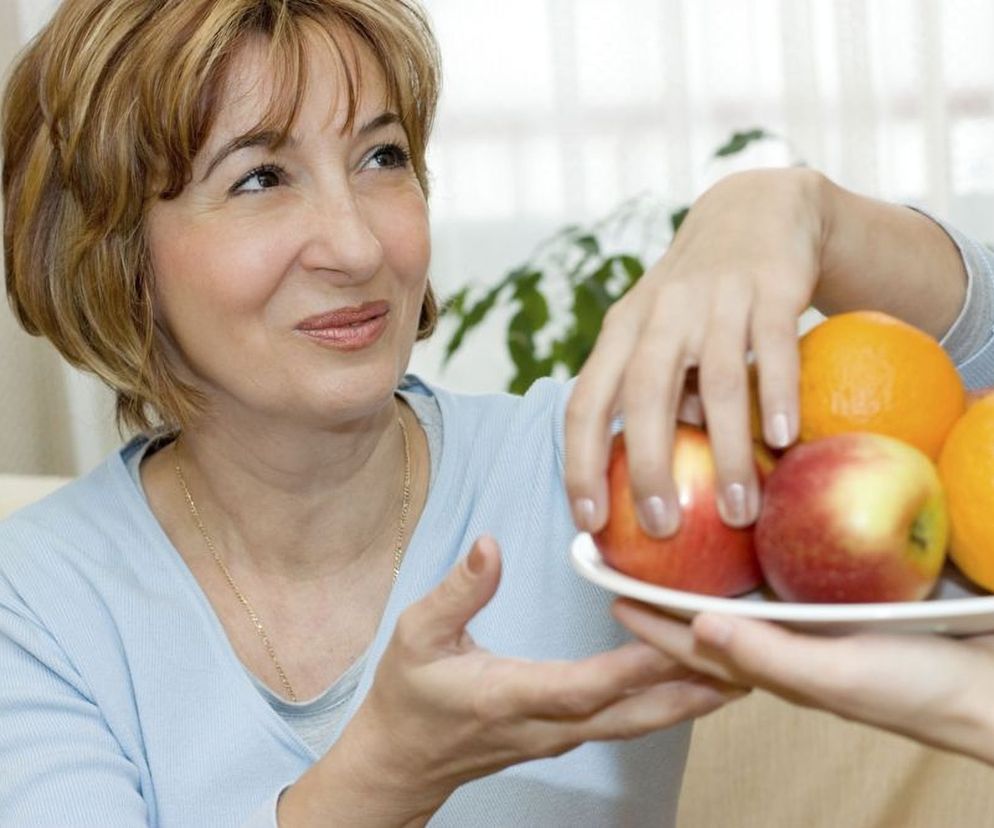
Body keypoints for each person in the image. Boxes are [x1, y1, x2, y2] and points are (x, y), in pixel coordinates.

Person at [0, 1, 743, 826]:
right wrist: (386, 776)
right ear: (114, 252)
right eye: (260, 178)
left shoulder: (599, 464)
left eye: (382, 157)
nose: (358, 249)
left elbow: (865, 463)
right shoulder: (32, 601)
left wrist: (801, 217)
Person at [563, 165, 994, 767]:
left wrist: (809, 209)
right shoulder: (620, 450)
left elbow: (976, 349)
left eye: (395, 159)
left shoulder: (642, 424)